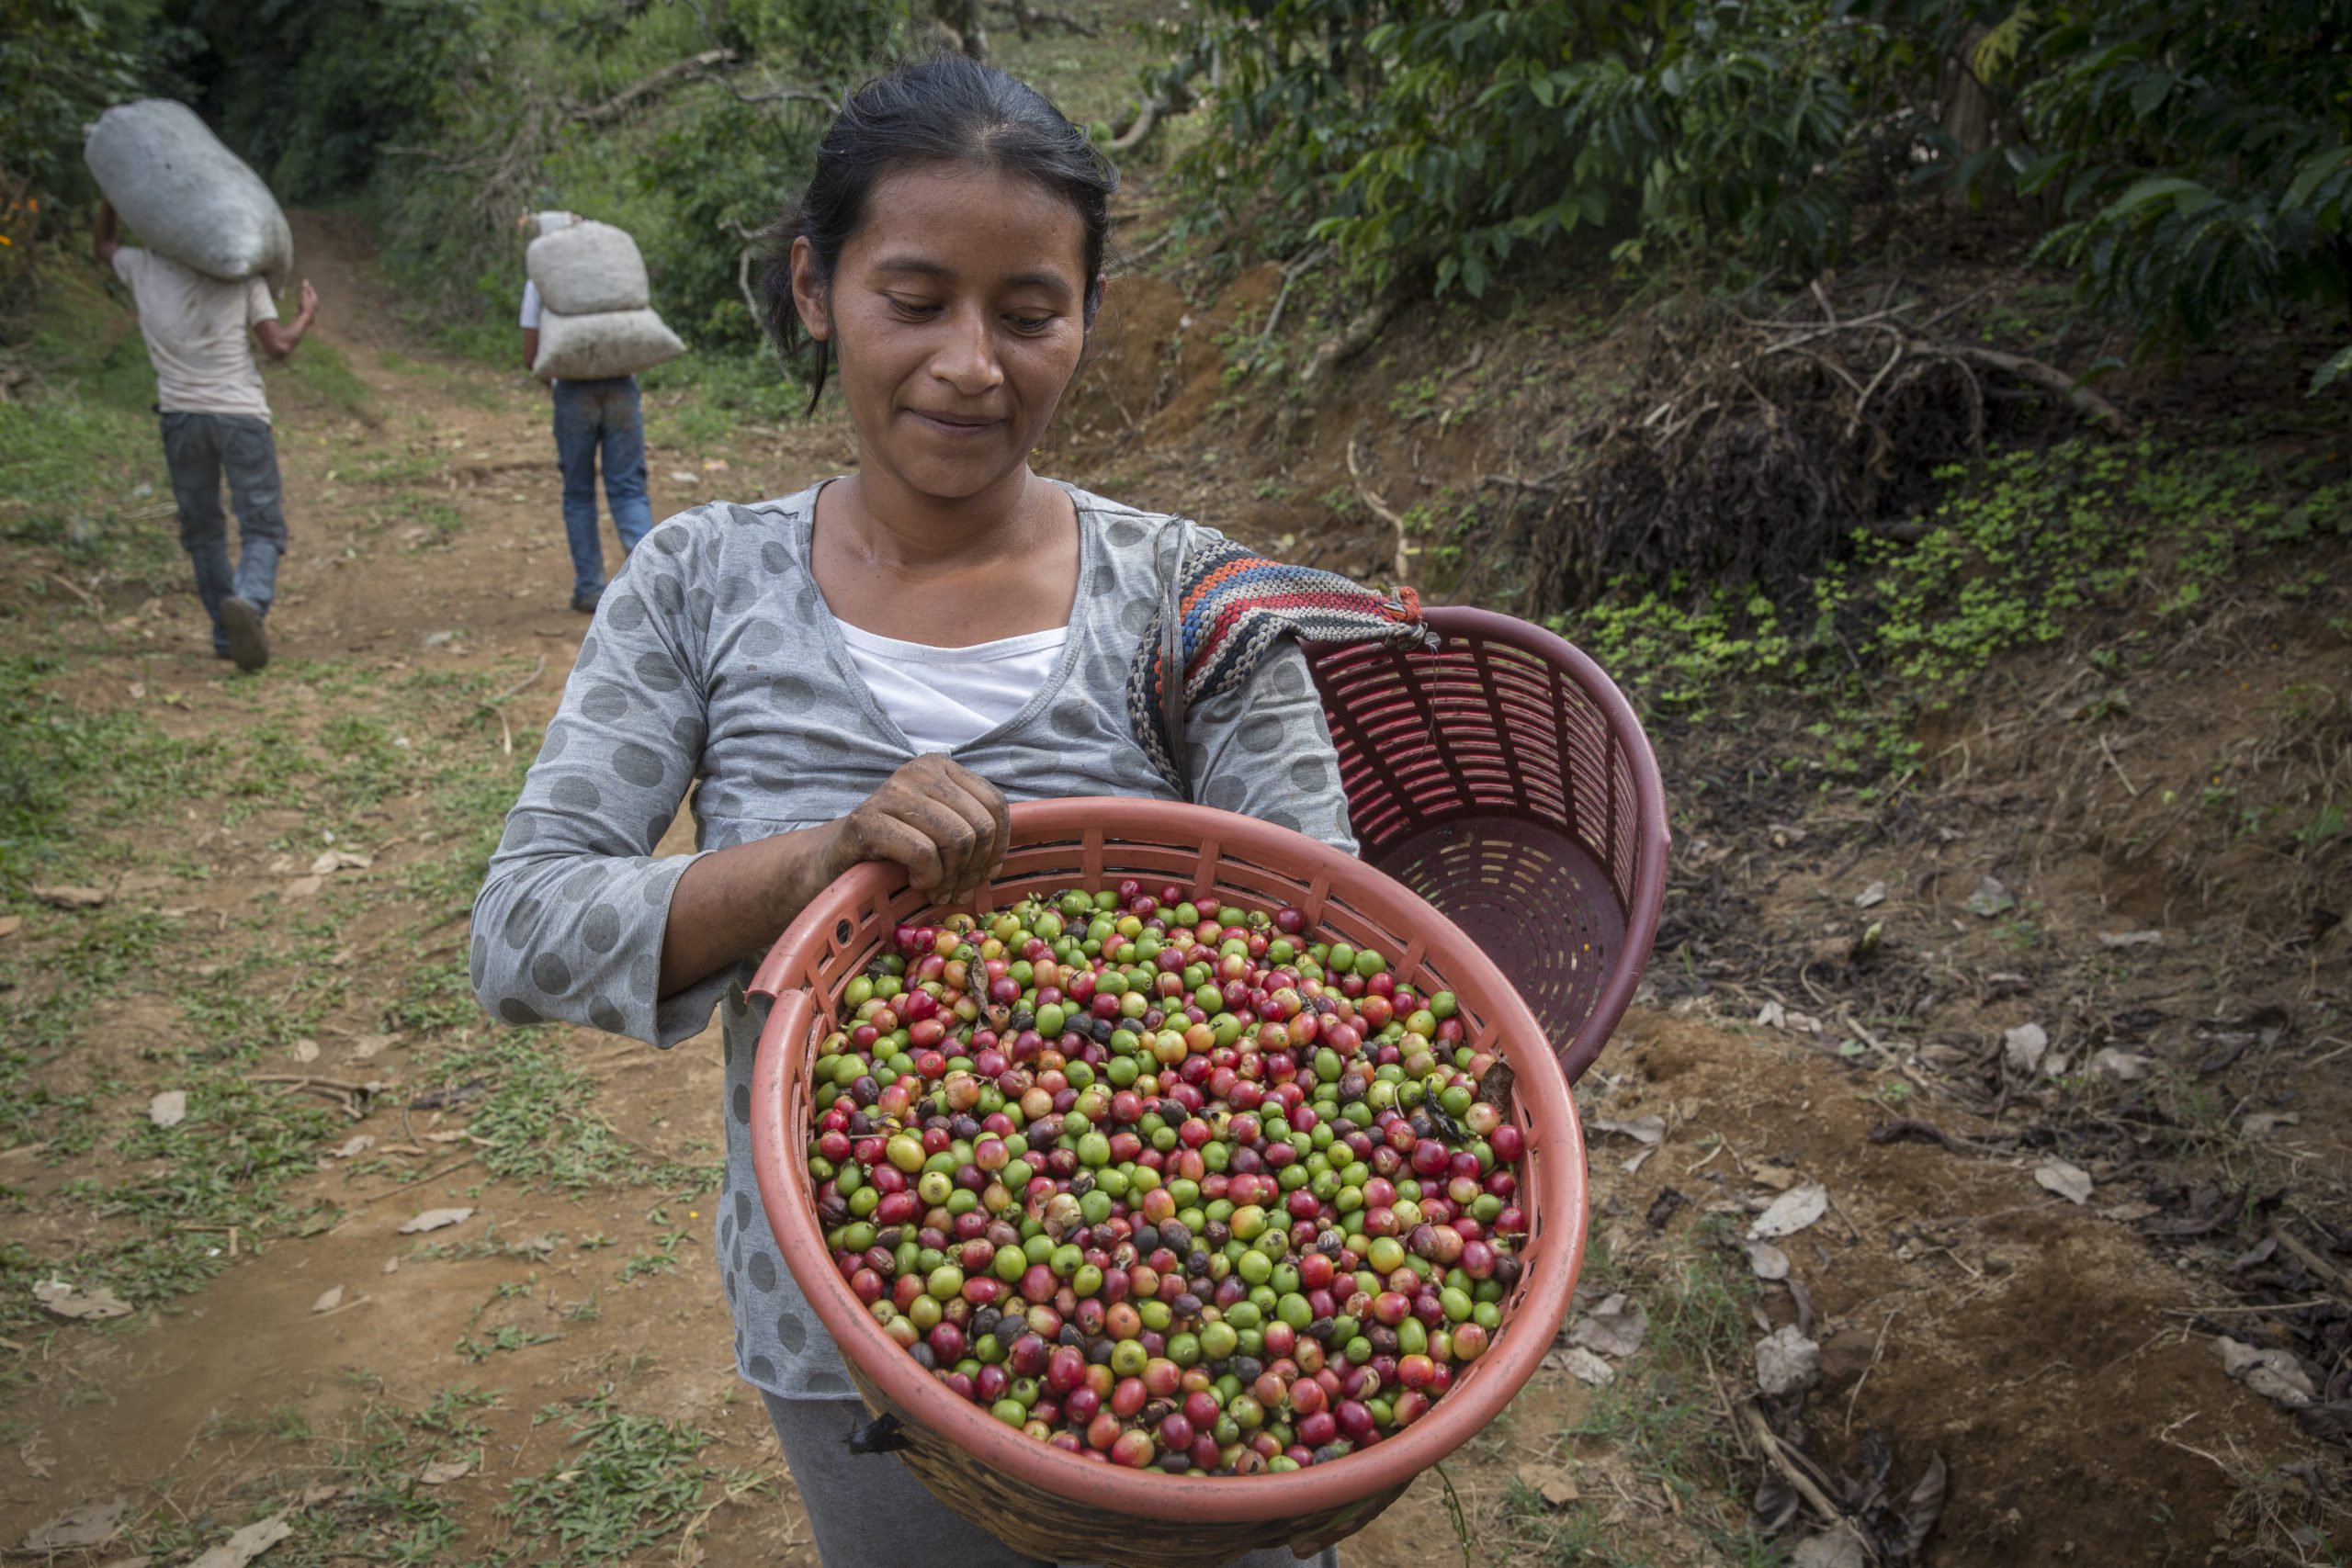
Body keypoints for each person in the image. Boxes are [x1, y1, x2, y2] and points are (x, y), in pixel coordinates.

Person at [473, 56, 1359, 1568]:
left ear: (1086, 313)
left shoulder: (1194, 598)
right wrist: (818, 865)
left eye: (1030, 313)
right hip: (848, 1334)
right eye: (916, 298)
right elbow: (525, 929)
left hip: (1205, 1320)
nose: (971, 363)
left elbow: (1335, 945)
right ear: (816, 289)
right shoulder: (697, 585)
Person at [96, 198, 316, 672]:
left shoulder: (143, 267)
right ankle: (251, 604)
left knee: (204, 529)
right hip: (240, 416)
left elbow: (104, 245)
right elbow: (276, 347)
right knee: (261, 524)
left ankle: (225, 632)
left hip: (180, 417)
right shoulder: (240, 274)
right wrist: (304, 317)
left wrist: (113, 197)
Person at [519, 231, 654, 614]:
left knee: (578, 492)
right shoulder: (613, 273)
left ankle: (590, 588)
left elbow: (532, 356)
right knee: (628, 489)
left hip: (573, 395)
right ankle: (653, 589)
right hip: (623, 390)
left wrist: (562, 375)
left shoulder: (541, 280)